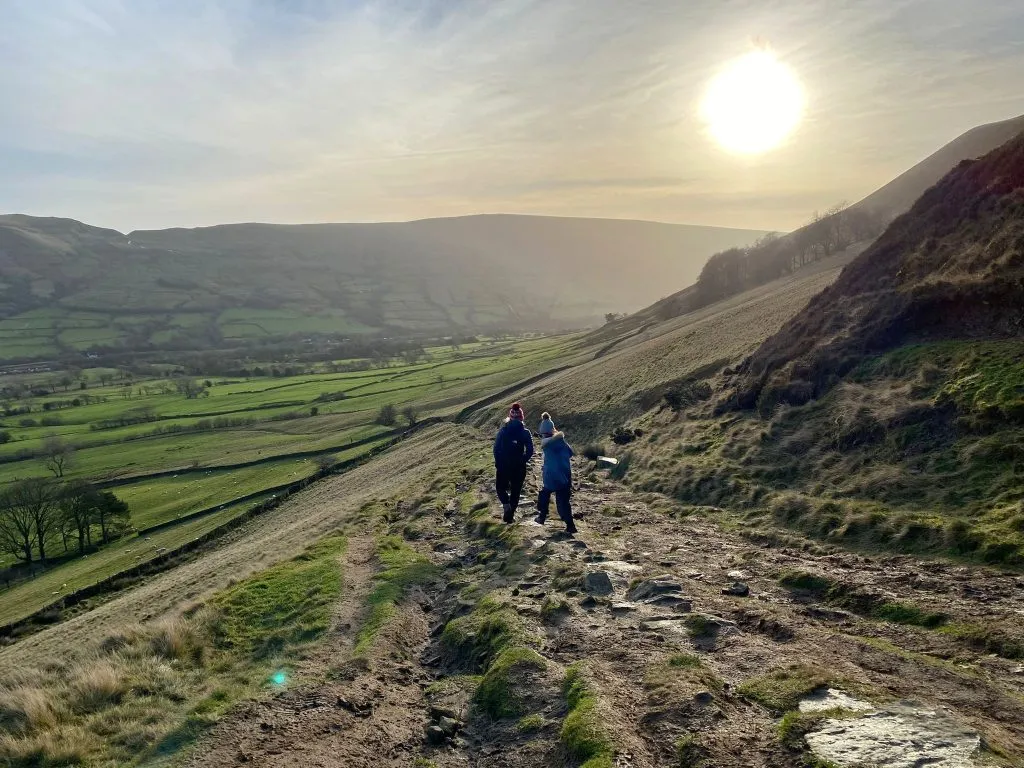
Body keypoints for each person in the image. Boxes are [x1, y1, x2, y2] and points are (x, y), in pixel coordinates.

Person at [534, 413, 577, 535]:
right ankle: (570, 525)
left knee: (544, 494)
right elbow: (570, 453)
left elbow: (550, 464)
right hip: (566, 474)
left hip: (552, 475)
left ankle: (542, 517)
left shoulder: (547, 446)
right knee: (564, 501)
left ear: (543, 433)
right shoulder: (561, 442)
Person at [493, 402, 534, 523]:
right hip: (519, 466)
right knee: (516, 491)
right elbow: (530, 450)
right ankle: (510, 514)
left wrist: (498, 461)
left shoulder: (503, 431)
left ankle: (506, 505)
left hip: (504, 465)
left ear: (510, 417)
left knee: (500, 488)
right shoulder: (526, 432)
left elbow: (496, 448)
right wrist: (523, 460)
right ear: (522, 417)